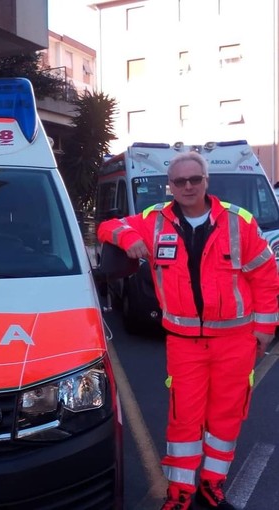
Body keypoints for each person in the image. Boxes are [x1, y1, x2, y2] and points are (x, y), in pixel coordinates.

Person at [97, 151, 279, 510]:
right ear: (171, 186)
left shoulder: (237, 221)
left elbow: (266, 277)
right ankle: (180, 493)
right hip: (184, 345)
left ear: (206, 181)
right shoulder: (155, 221)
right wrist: (126, 237)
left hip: (235, 341)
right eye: (180, 181)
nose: (188, 186)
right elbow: (108, 226)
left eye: (195, 179)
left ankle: (212, 486)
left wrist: (264, 330)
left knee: (226, 417)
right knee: (184, 419)